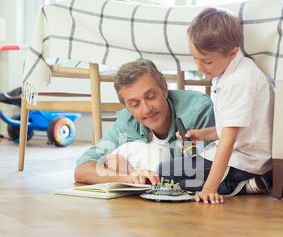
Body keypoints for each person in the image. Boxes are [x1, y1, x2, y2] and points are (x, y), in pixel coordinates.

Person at [159, 7, 275, 204]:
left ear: (232, 53)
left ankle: (246, 185)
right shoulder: (234, 71)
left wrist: (209, 189)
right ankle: (268, 178)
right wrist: (202, 134)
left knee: (166, 173)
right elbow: (237, 128)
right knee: (176, 169)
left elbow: (228, 141)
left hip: (245, 164)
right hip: (250, 159)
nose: (199, 67)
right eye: (194, 58)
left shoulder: (238, 82)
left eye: (207, 61)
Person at [74, 59, 215, 185]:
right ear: (127, 108)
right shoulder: (126, 122)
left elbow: (207, 172)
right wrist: (129, 177)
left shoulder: (198, 109)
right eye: (135, 104)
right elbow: (82, 169)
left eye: (151, 97)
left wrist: (132, 169)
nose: (147, 109)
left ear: (164, 90)